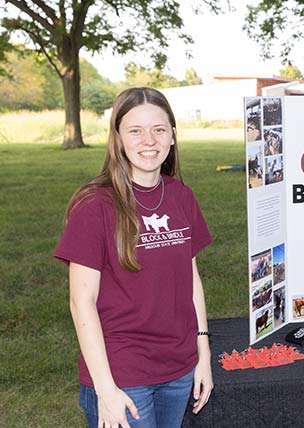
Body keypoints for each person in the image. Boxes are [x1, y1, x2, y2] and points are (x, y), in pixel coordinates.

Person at [54, 87, 214, 428]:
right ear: (118, 138)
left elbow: (191, 280)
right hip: (122, 372)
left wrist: (204, 354)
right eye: (135, 130)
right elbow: (81, 302)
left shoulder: (181, 196)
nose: (149, 140)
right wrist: (105, 388)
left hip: (179, 367)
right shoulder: (95, 206)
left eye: (159, 129)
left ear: (172, 135)